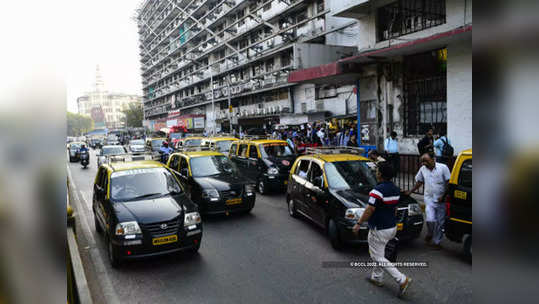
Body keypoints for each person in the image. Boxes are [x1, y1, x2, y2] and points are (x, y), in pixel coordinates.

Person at [353, 162, 412, 298]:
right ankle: (377, 277)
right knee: (379, 253)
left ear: (380, 174)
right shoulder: (396, 189)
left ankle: (402, 280)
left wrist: (358, 223)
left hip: (379, 228)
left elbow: (370, 209)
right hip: (392, 227)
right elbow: (395, 208)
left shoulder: (377, 191)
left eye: (377, 170)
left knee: (377, 256)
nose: (375, 172)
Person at [405, 153, 451, 250]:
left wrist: (443, 196)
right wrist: (411, 191)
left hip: (441, 200)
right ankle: (430, 233)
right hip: (429, 198)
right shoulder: (423, 169)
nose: (424, 163)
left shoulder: (443, 168)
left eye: (426, 160)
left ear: (433, 159)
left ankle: (437, 242)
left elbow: (448, 183)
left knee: (440, 222)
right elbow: (419, 181)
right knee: (430, 219)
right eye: (422, 161)